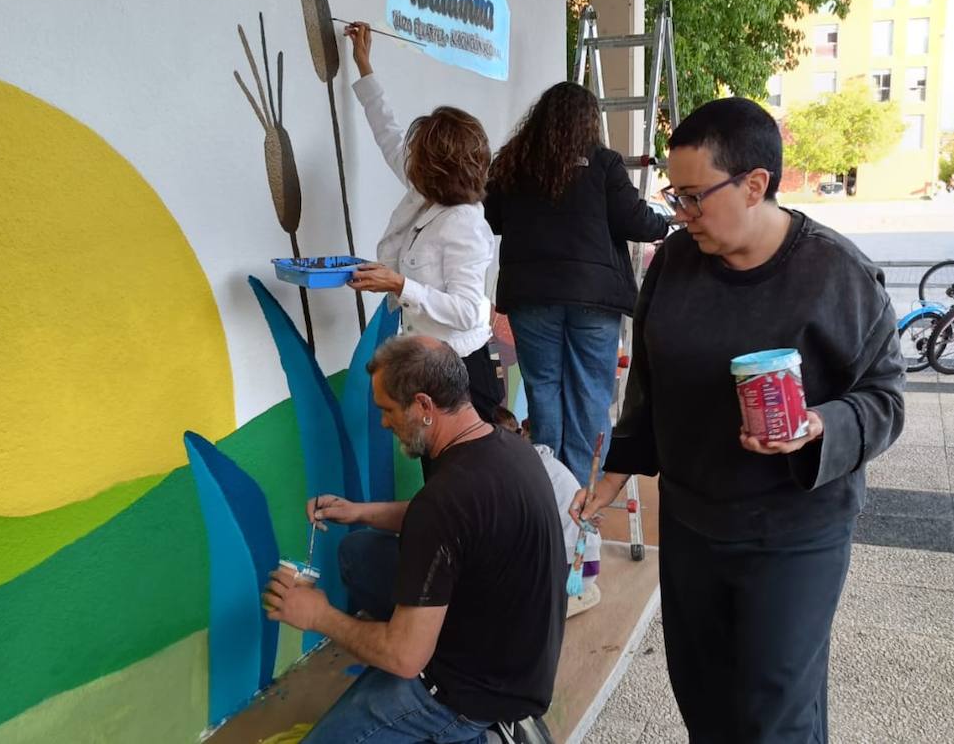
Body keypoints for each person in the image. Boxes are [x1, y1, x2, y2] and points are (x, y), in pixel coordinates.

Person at [571, 98, 905, 743]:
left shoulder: (837, 273)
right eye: (676, 196)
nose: (682, 214)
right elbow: (651, 384)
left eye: (695, 197)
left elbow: (885, 400)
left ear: (754, 185)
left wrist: (816, 426)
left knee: (773, 709)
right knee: (703, 692)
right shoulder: (674, 263)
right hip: (695, 521)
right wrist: (615, 474)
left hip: (794, 530)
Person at [264, 336, 566, 743]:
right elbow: (451, 523)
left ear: (424, 406)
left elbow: (405, 658)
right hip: (520, 659)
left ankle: (482, 734)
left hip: (472, 693)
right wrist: (359, 512)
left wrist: (317, 615)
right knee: (359, 552)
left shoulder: (445, 500)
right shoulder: (504, 446)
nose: (385, 423)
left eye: (388, 410)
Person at [484, 82, 669, 485]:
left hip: (530, 297)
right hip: (594, 298)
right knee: (590, 394)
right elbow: (634, 220)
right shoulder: (603, 163)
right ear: (590, 121)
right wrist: (666, 222)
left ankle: (551, 489)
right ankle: (582, 496)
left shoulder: (512, 163)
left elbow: (493, 219)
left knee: (544, 390)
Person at [343, 22, 503, 424]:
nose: (409, 156)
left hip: (464, 373)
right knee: (440, 474)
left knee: (464, 481)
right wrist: (364, 66)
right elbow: (387, 133)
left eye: (419, 154)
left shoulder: (463, 222)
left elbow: (469, 311)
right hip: (431, 365)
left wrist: (399, 284)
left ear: (438, 168)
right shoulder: (424, 188)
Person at [493, 406, 603, 617]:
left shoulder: (517, 472)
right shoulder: (533, 459)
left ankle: (561, 600)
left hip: (574, 567)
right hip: (583, 561)